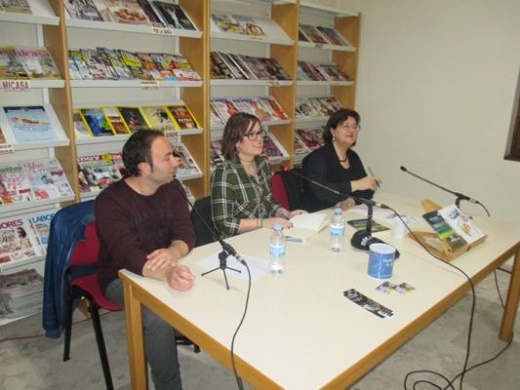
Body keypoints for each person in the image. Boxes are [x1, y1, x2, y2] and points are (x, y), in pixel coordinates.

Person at [95, 129, 196, 390]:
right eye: (168, 157)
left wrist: (173, 252)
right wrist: (167, 275)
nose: (177, 161)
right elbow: (126, 254)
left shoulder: (171, 187)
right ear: (144, 167)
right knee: (157, 318)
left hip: (164, 262)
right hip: (121, 274)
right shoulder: (110, 201)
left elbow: (185, 231)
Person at [211, 112, 305, 238]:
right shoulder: (225, 173)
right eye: (251, 135)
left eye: (260, 132)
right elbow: (223, 223)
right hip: (237, 241)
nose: (259, 138)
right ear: (236, 141)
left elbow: (268, 201)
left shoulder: (263, 163)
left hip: (263, 234)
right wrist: (263, 223)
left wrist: (287, 214)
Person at [299, 108, 380, 212]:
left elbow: (367, 189)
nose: (351, 130)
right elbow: (322, 192)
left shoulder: (353, 156)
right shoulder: (317, 158)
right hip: (316, 213)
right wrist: (356, 185)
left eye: (354, 127)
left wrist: (351, 201)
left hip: (342, 212)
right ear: (333, 131)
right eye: (346, 126)